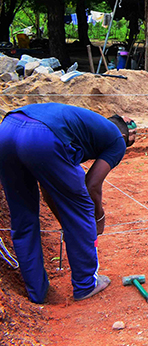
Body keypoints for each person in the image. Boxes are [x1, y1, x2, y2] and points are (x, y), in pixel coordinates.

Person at [0, 103, 137, 303]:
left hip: (7, 129)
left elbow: (49, 187)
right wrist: (97, 217)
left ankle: (37, 293)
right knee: (81, 209)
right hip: (43, 137)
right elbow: (91, 185)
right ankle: (86, 284)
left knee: (23, 218)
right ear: (124, 137)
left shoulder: (85, 125)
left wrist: (65, 220)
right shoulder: (117, 141)